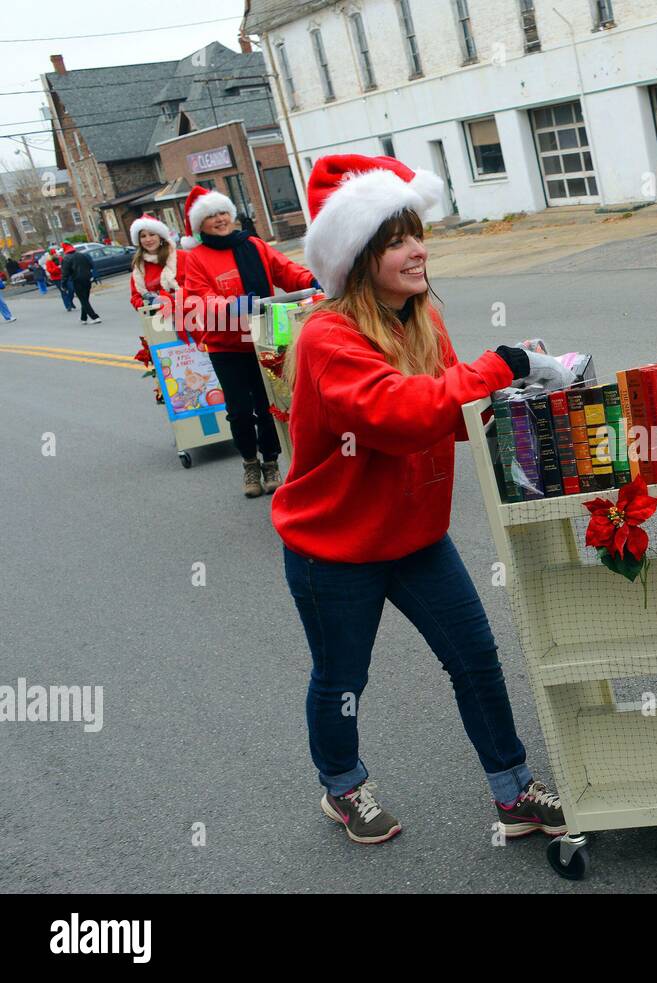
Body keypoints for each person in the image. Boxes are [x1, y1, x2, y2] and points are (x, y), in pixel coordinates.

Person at [272, 154, 572, 846]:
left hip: (414, 536)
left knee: (475, 656)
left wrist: (522, 400)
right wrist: (500, 365)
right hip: (334, 547)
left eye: (415, 235)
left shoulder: (420, 317)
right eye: (395, 240)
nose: (416, 250)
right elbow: (398, 414)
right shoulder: (327, 335)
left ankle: (513, 789)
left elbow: (449, 413)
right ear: (359, 258)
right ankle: (342, 785)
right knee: (344, 676)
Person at [183, 185, 316, 498]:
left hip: (267, 336)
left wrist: (312, 280)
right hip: (227, 345)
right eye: (211, 215)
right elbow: (199, 300)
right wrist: (234, 306)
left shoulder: (253, 245)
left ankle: (271, 462)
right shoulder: (196, 259)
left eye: (223, 212)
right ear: (199, 225)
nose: (220, 219)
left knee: (270, 404)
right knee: (241, 411)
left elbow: (285, 270)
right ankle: (249, 463)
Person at [128, 214, 193, 343]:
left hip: (192, 317)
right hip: (161, 324)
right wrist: (152, 302)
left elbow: (197, 284)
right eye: (143, 236)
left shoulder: (183, 257)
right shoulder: (139, 268)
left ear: (160, 236)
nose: (148, 239)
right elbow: (135, 298)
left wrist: (176, 297)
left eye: (152, 234)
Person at [60, 245, 100, 324]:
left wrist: (63, 284)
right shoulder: (83, 255)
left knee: (83, 300)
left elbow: (65, 273)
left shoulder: (66, 259)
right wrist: (92, 276)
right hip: (87, 279)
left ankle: (95, 317)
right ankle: (83, 318)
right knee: (85, 299)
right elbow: (91, 265)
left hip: (77, 280)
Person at [45, 247, 74, 312]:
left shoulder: (60, 258)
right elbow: (50, 271)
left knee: (71, 289)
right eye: (54, 253)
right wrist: (57, 268)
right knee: (63, 291)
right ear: (51, 255)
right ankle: (68, 306)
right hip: (57, 279)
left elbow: (66, 266)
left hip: (65, 277)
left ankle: (70, 301)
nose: (56, 254)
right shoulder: (49, 262)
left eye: (55, 253)